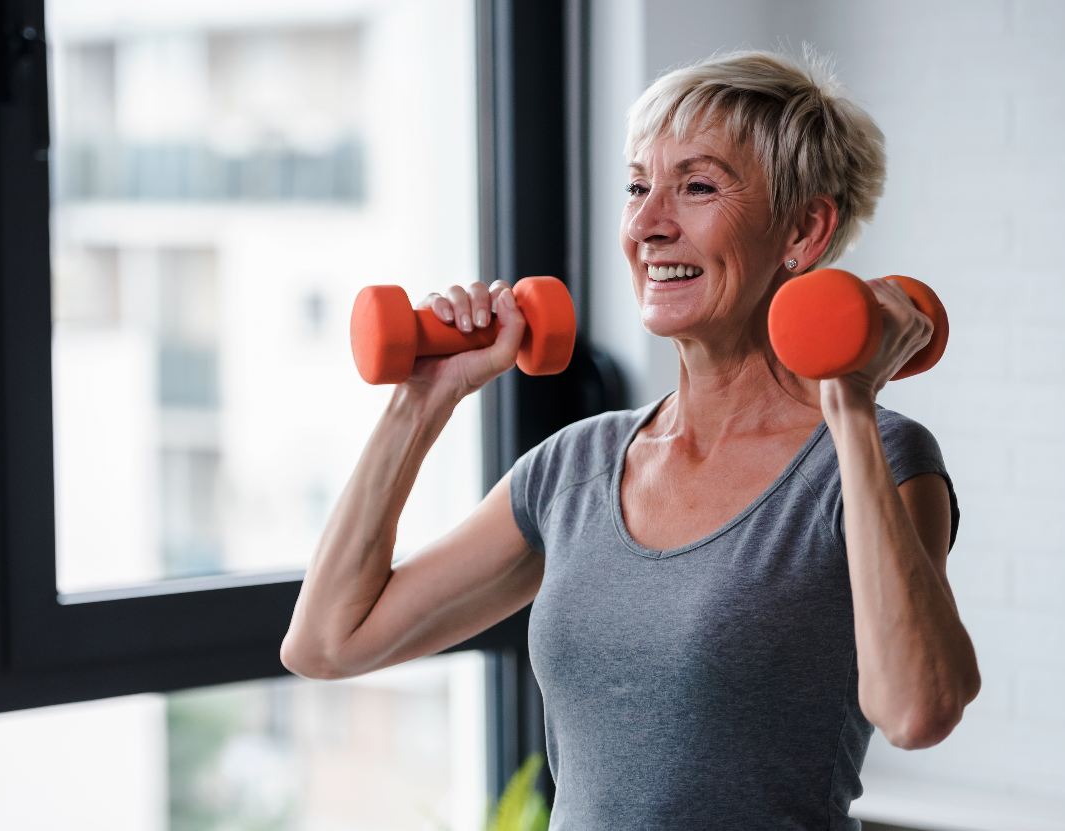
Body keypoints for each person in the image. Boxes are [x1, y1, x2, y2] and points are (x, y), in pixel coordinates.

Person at [281, 50, 979, 829]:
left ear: (804, 228)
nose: (648, 224)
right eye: (638, 186)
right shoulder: (572, 469)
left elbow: (919, 710)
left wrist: (847, 398)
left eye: (698, 185)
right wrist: (421, 402)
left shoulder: (875, 458)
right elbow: (327, 642)